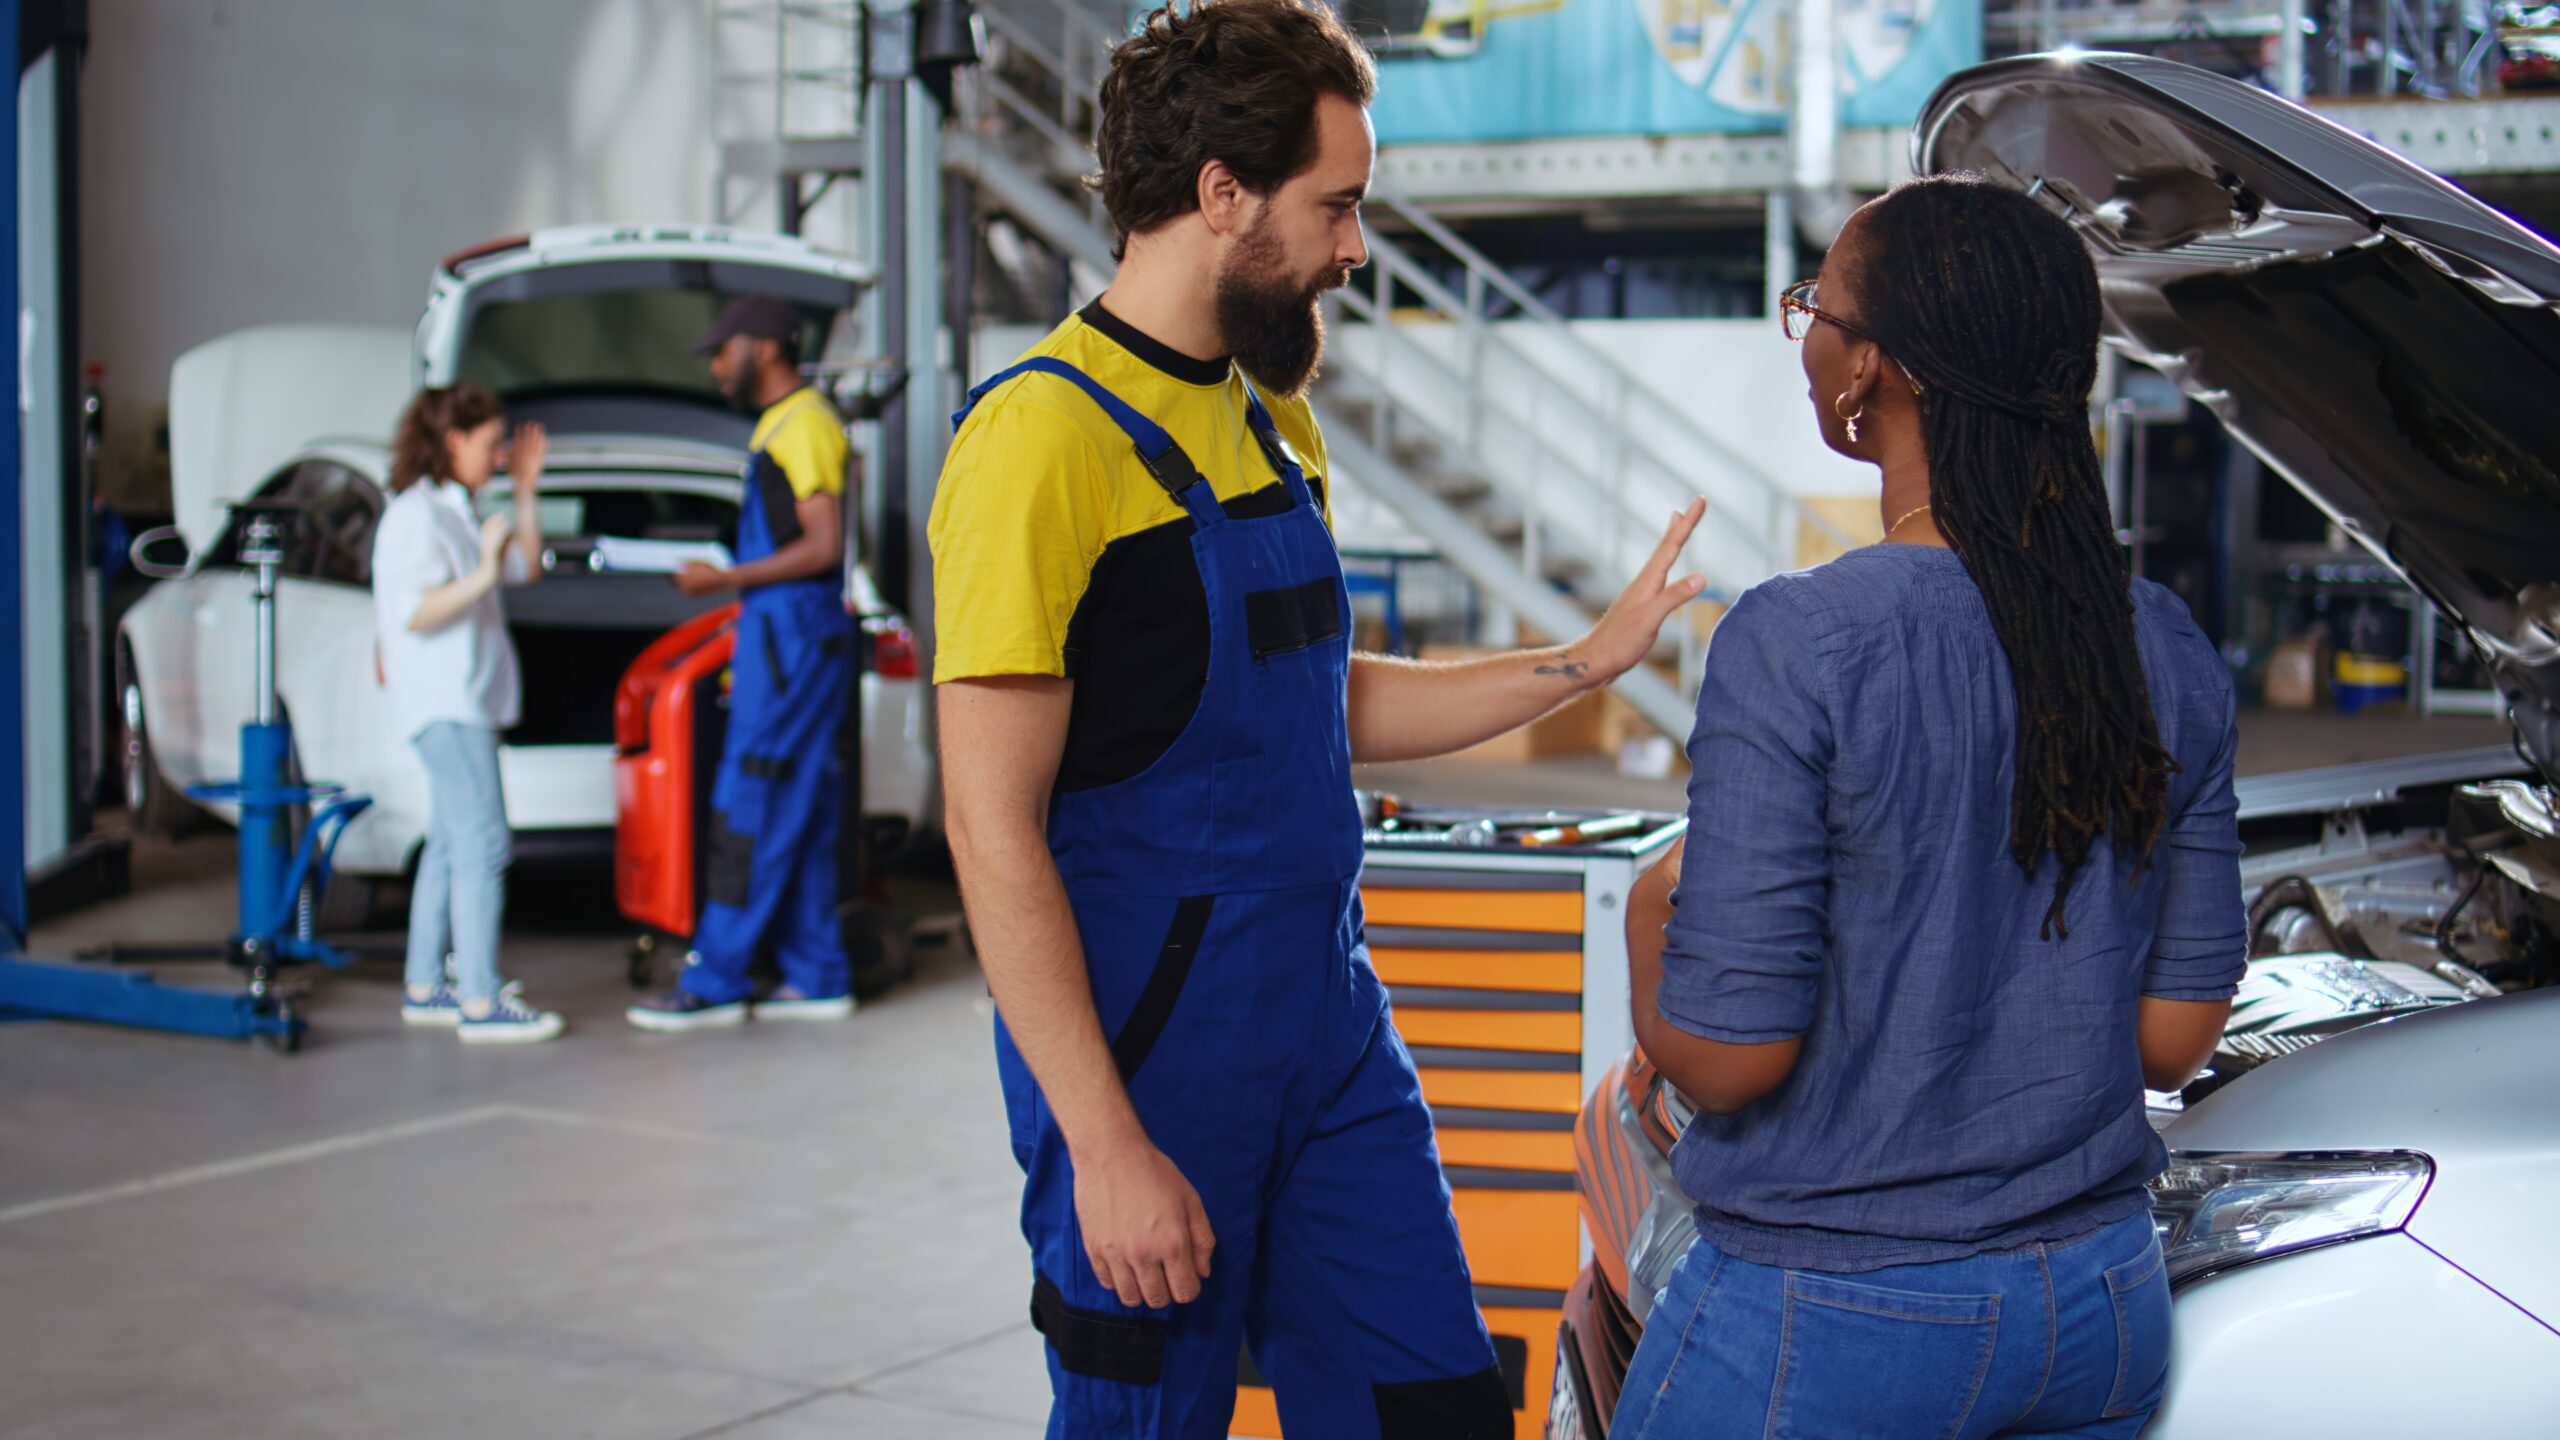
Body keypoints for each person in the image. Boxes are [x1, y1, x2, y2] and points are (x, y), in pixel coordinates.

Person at [929, 3, 1707, 1435]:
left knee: (1435, 1408)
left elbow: (1319, 701)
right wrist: (1104, 1144)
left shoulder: (1274, 422)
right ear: (1222, 197)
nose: (1355, 247)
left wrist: (1583, 664)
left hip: (1328, 1025)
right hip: (1153, 1053)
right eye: (1335, 206)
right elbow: (987, 825)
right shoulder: (1037, 442)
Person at [1611, 173, 2248, 1439]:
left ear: (1872, 372)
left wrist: (1648, 916)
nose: (1810, 339)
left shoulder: (1798, 640)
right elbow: (2173, 1040)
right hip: (2097, 1311)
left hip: (1828, 1321)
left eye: (1817, 311)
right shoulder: (2162, 646)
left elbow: (1728, 1062)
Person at [627, 295, 861, 1031]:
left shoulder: (806, 426)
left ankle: (717, 979)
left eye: (722, 352)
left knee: (751, 800)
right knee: (803, 803)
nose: (718, 366)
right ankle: (817, 972)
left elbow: (823, 548)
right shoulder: (782, 427)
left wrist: (721, 581)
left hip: (793, 641)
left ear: (760, 346)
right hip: (785, 637)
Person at [373, 382, 566, 1044]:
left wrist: (527, 487)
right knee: (485, 840)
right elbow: (415, 611)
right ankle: (480, 1000)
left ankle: (427, 985)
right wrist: (482, 571)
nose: (497, 456)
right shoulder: (414, 517)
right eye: (490, 445)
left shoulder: (457, 510)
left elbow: (529, 568)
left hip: (466, 701)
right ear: (451, 441)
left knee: (453, 842)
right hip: (445, 704)